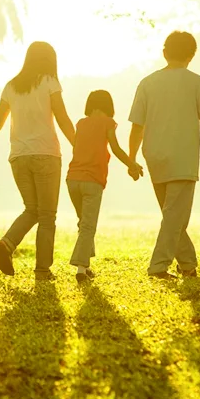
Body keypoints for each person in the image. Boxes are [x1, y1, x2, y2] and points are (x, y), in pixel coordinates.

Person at [0, 42, 76, 281]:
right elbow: (62, 117)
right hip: (46, 155)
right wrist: (80, 146)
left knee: (32, 210)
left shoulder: (11, 86)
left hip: (18, 158)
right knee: (47, 216)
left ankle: (7, 243)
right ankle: (43, 271)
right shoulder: (49, 82)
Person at [128, 31, 200, 280]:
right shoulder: (196, 82)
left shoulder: (147, 83)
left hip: (155, 156)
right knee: (175, 216)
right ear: (192, 56)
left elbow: (137, 126)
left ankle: (188, 265)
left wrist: (132, 158)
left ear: (164, 53)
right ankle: (158, 267)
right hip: (183, 157)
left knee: (173, 216)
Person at [67, 89, 144, 284]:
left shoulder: (81, 124)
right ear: (109, 107)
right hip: (92, 180)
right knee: (88, 226)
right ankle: (80, 269)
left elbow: (77, 147)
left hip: (72, 180)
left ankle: (86, 265)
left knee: (84, 221)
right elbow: (115, 148)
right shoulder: (108, 123)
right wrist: (132, 164)